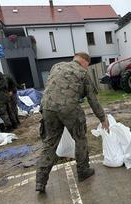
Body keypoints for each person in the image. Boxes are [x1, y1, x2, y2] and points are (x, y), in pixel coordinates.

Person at [36, 52, 109, 193]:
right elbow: (92, 100)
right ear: (85, 62)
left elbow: (52, 87)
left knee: (49, 143)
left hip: (47, 107)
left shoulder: (56, 66)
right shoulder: (83, 73)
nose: (87, 68)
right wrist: (102, 118)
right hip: (69, 108)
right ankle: (83, 171)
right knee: (80, 138)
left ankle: (40, 180)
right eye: (87, 66)